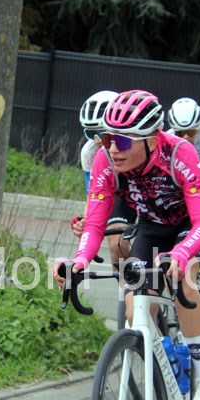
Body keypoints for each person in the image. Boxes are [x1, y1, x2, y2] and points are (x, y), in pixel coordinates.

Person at [55, 89, 200, 400]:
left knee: (184, 280)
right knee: (135, 306)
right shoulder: (106, 160)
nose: (113, 148)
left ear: (151, 140)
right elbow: (95, 222)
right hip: (151, 225)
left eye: (123, 141)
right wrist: (79, 261)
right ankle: (164, 381)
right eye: (107, 139)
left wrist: (182, 253)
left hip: (192, 225)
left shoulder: (180, 153)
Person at [72, 90, 136, 269]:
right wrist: (85, 222)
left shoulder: (136, 143)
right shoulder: (90, 152)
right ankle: (129, 284)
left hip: (149, 191)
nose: (97, 140)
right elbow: (93, 195)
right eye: (90, 133)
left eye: (101, 132)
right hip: (121, 196)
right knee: (117, 245)